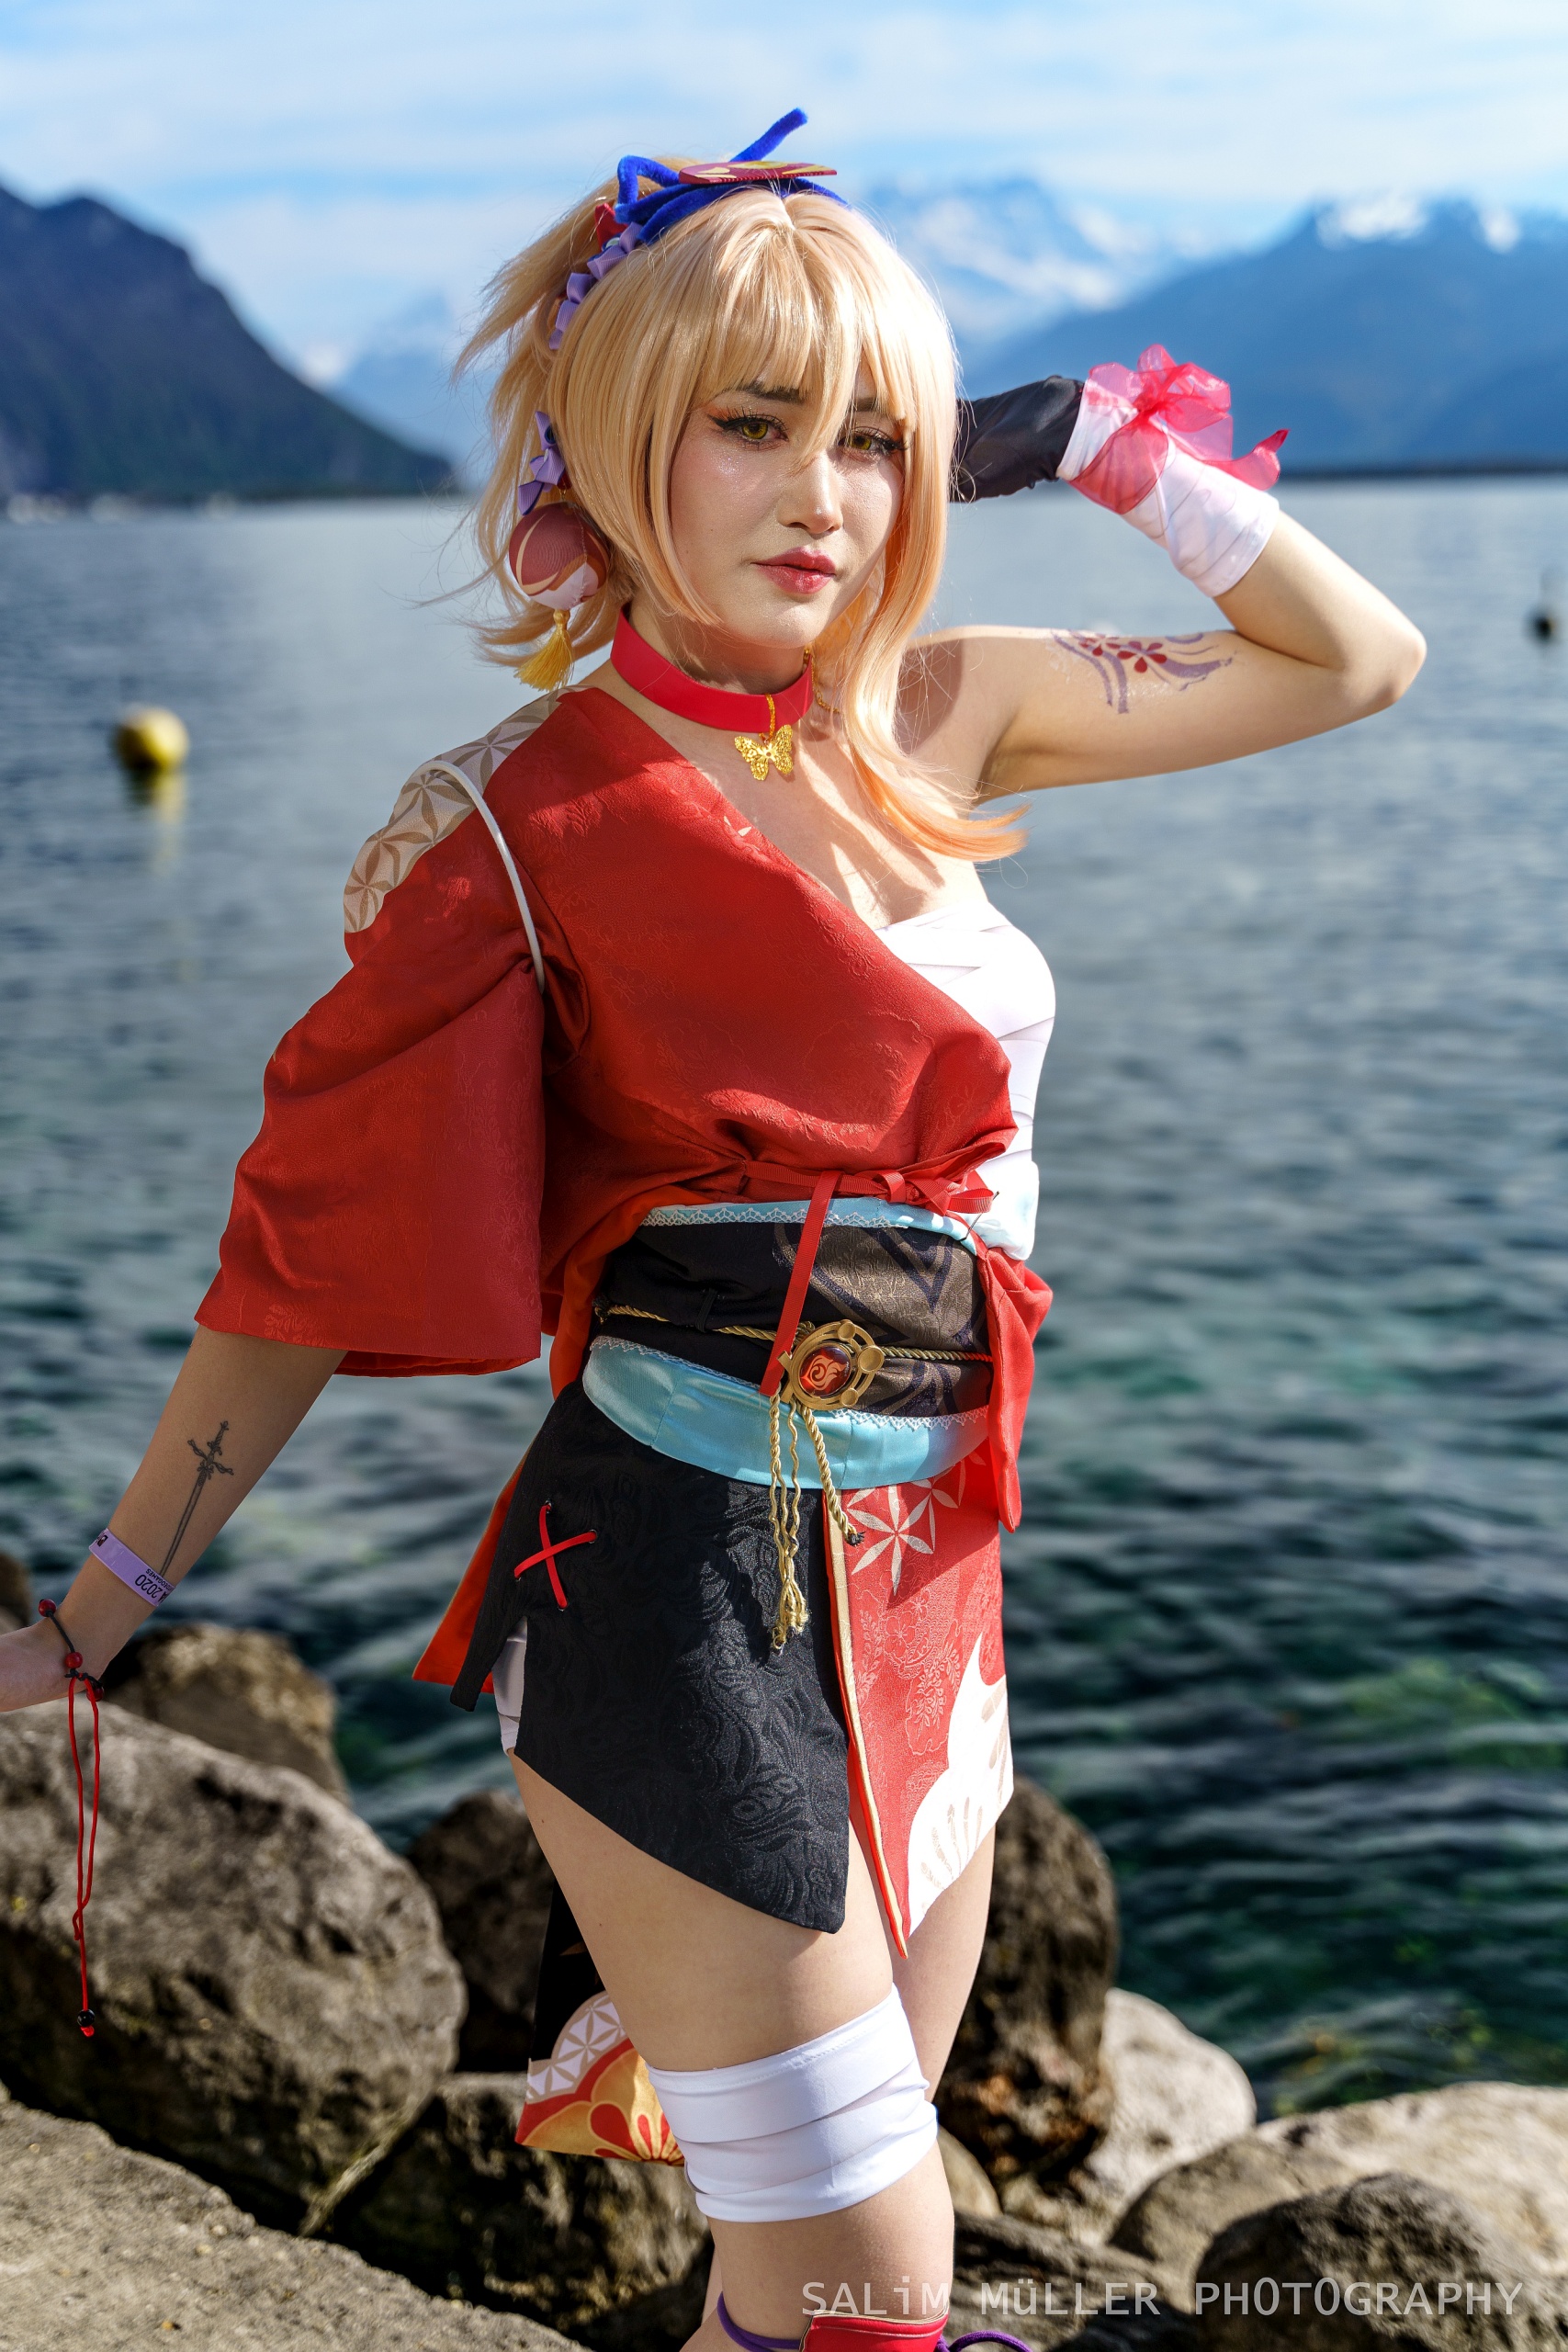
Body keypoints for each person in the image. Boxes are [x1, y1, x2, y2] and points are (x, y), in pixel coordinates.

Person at [0, 107, 1423, 2352]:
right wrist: (99, 1616)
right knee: (871, 2289)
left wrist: (1094, 444)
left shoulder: (945, 705)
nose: (821, 495)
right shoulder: (513, 823)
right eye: (751, 425)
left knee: (805, 2272)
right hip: (667, 1586)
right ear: (607, 444)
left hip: (932, 1575)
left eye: (872, 438)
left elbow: (1352, 657)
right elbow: (302, 1258)